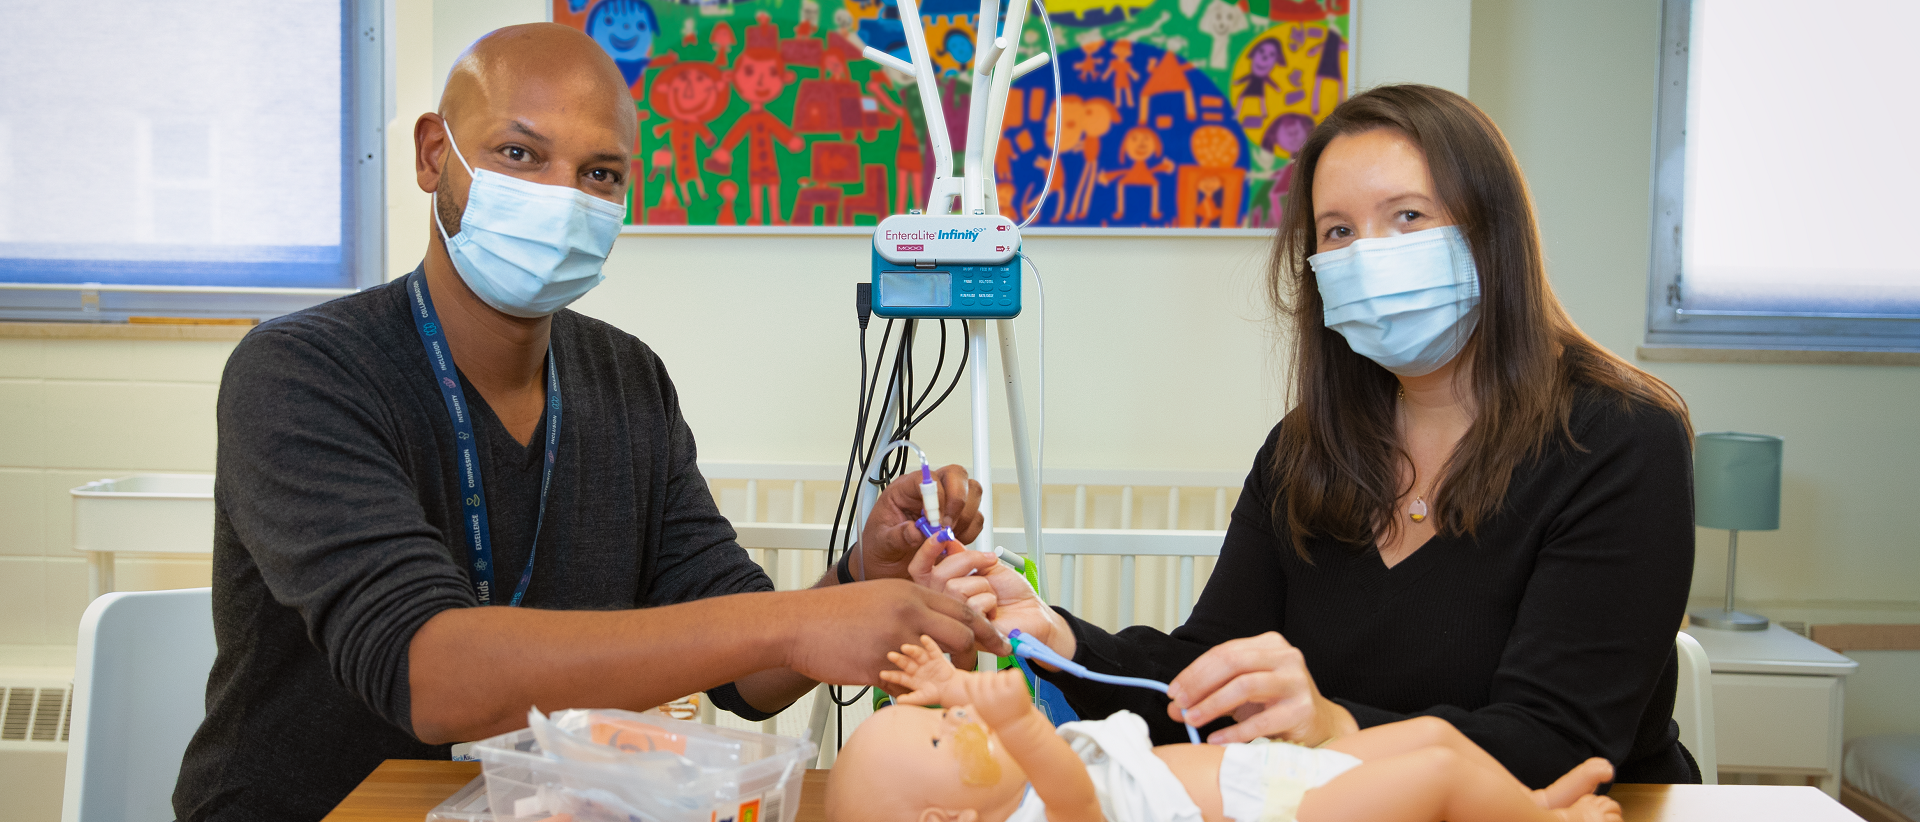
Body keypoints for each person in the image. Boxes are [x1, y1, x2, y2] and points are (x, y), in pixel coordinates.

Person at [172, 24, 1002, 822]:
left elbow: (749, 677)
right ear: (436, 155)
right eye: (519, 154)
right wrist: (801, 621)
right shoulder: (303, 372)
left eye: (600, 174)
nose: (561, 197)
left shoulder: (626, 379)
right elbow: (431, 677)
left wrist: (861, 579)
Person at [947, 84, 1697, 788]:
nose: (1367, 254)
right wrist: (1056, 637)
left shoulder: (1621, 440)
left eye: (1407, 217)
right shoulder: (1304, 452)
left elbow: (1559, 745)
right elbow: (1208, 674)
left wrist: (1333, 726)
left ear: (1492, 233)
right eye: (1338, 231)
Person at [827, 635, 1624, 822]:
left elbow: (997, 715)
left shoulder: (1008, 780)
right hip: (1277, 817)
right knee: (1438, 780)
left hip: (1273, 776)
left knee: (1439, 741)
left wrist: (949, 686)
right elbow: (1067, 785)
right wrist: (1008, 716)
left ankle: (1532, 803)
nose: (962, 717)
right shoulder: (1041, 808)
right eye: (940, 733)